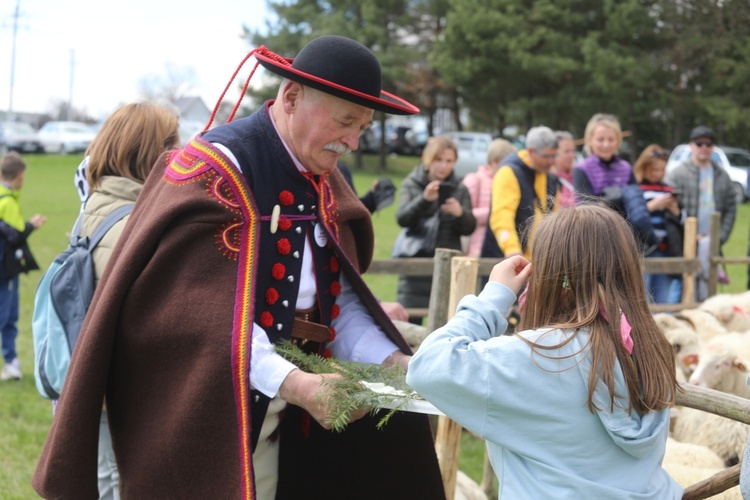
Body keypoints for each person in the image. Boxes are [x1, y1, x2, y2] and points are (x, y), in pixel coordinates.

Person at [33, 35, 444, 500]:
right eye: (346, 121)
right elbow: (197, 316)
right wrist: (293, 382)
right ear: (291, 99)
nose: (352, 142)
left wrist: (395, 364)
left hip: (296, 418)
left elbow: (335, 304)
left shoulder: (323, 177)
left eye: (363, 128)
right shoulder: (214, 170)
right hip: (204, 414)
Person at [407, 205, 682, 499]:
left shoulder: (539, 356)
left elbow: (427, 366)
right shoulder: (649, 348)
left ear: (550, 277)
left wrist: (493, 298)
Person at [78, 101, 180, 499]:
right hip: (119, 398)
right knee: (115, 487)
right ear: (149, 153)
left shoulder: (99, 201)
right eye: (174, 145)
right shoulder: (128, 226)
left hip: (100, 389)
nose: (182, 155)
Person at [394, 135, 476, 324]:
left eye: (449, 161)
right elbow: (402, 219)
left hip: (448, 262)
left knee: (445, 323)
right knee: (410, 323)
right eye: (438, 160)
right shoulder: (412, 183)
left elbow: (469, 227)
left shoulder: (460, 188)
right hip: (416, 261)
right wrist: (424, 200)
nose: (443, 166)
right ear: (427, 159)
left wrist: (459, 213)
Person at [665, 125, 737, 301]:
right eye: (699, 143)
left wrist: (720, 236)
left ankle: (706, 309)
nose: (704, 147)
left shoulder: (722, 175)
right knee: (688, 279)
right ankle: (691, 311)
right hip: (687, 238)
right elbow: (670, 208)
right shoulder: (678, 174)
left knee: (707, 275)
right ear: (691, 146)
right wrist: (686, 233)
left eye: (708, 144)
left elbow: (731, 207)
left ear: (713, 147)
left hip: (711, 237)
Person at [573, 113, 658, 253]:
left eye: (611, 139)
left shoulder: (625, 168)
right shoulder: (582, 169)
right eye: (600, 139)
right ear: (590, 140)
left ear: (618, 140)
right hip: (595, 239)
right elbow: (584, 207)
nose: (606, 144)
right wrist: (611, 201)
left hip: (625, 238)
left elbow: (637, 204)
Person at [481, 126, 559, 260]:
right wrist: (511, 249)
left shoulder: (547, 175)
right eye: (546, 156)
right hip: (506, 258)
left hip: (537, 259)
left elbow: (554, 214)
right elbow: (501, 216)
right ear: (531, 151)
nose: (551, 161)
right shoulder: (509, 172)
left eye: (554, 155)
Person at [0, 152, 45, 381]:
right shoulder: (6, 201)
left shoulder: (5, 195)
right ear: (19, 176)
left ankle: (11, 361)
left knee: (9, 314)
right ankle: (11, 361)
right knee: (6, 315)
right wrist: (32, 225)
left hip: (6, 269)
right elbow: (16, 235)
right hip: (5, 270)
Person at [633, 145, 683, 304]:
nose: (658, 174)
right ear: (644, 167)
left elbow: (684, 220)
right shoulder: (635, 189)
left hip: (666, 250)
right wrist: (652, 206)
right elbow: (629, 217)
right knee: (643, 299)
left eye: (662, 170)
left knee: (663, 299)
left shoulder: (668, 189)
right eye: (654, 169)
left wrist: (675, 210)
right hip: (643, 251)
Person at [461, 138, 516, 257]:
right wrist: (495, 214)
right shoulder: (475, 180)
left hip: (501, 246)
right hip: (478, 247)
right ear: (494, 161)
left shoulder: (510, 182)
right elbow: (466, 214)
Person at [552, 130, 576, 208]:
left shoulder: (578, 174)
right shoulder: (549, 179)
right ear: (554, 153)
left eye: (573, 151)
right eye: (567, 151)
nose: (572, 155)